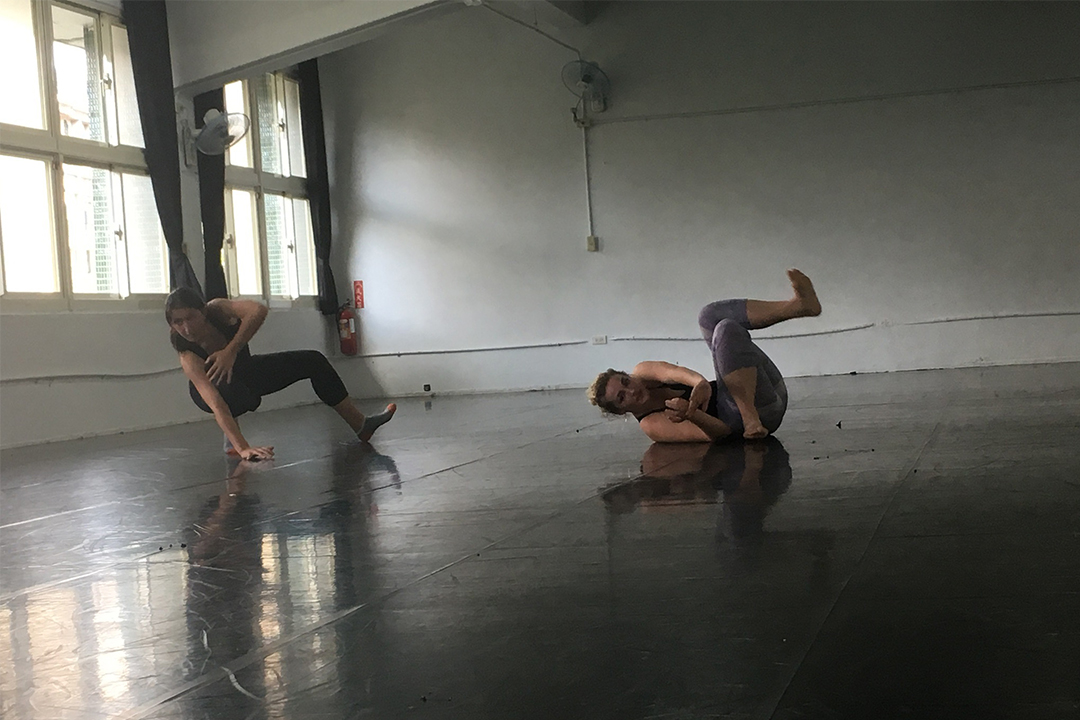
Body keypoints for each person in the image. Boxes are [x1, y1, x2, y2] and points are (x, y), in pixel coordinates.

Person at [586, 269, 821, 442]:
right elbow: (721, 432)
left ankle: (799, 307)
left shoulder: (644, 372)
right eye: (621, 397)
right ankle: (750, 416)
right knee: (725, 329)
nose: (632, 390)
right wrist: (692, 414)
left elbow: (675, 372)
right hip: (757, 419)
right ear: (620, 411)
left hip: (772, 389)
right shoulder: (652, 424)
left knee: (710, 317)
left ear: (628, 375)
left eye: (625, 382)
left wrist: (699, 383)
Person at [165, 287, 396, 460]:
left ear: (203, 312)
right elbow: (216, 403)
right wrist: (243, 448)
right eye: (178, 322)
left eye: (191, 317)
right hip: (215, 391)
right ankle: (232, 441)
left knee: (314, 360)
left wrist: (230, 351)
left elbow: (258, 310)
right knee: (241, 395)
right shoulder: (188, 355)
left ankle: (361, 425)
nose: (186, 328)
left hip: (246, 371)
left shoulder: (218, 310)